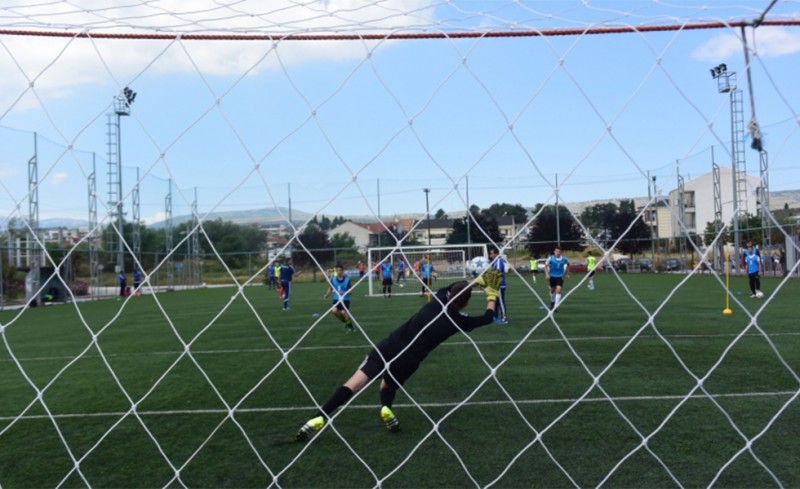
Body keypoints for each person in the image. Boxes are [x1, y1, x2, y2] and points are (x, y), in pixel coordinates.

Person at [295, 269, 503, 442]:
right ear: (466, 304)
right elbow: (487, 318)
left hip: (390, 346)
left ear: (450, 294)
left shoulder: (438, 299)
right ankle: (386, 408)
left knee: (354, 384)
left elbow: (454, 288)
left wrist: (476, 281)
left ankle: (319, 417)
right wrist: (491, 295)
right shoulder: (459, 321)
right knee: (386, 386)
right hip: (410, 360)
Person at [324, 262, 354, 332]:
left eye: (340, 270)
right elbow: (330, 288)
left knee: (343, 313)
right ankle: (347, 322)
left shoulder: (347, 280)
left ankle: (350, 327)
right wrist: (326, 295)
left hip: (345, 299)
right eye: (337, 270)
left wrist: (343, 293)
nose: (339, 272)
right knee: (334, 311)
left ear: (343, 271)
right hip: (336, 299)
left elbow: (350, 292)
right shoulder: (333, 279)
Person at [545, 246, 570, 311]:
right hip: (552, 276)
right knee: (552, 290)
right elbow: (545, 266)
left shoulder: (564, 258)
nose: (557, 252)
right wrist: (547, 274)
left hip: (560, 276)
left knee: (558, 290)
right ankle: (552, 302)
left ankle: (555, 307)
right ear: (554, 252)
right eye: (556, 251)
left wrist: (567, 273)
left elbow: (568, 265)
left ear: (561, 252)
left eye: (559, 251)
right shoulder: (551, 258)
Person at [487, 245, 507, 324]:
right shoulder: (493, 262)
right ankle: (495, 317)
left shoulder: (498, 261)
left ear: (496, 254)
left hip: (499, 285)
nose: (490, 255)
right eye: (490, 254)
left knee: (501, 302)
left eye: (492, 254)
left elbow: (497, 272)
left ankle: (504, 318)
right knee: (495, 302)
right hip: (494, 286)